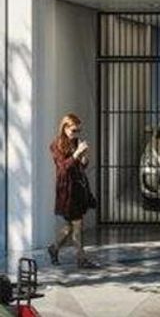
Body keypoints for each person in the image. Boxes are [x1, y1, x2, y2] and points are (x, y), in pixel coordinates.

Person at [47, 114, 97, 269]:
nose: (76, 134)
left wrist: (84, 158)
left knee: (70, 226)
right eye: (74, 130)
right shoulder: (56, 145)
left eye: (78, 131)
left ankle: (54, 248)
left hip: (78, 189)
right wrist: (76, 154)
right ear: (65, 128)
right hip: (66, 191)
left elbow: (80, 167)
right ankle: (81, 259)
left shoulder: (76, 142)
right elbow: (63, 168)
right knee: (77, 224)